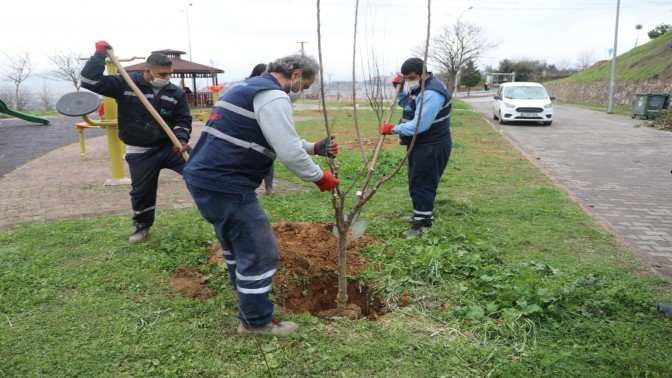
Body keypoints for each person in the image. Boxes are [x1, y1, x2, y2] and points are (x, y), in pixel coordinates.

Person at [182, 54, 339, 337]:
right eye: (305, 85)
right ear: (296, 74)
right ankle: (255, 321)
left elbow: (272, 135)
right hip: (227, 183)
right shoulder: (272, 96)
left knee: (234, 241)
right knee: (260, 252)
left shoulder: (248, 88)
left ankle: (244, 293)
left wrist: (313, 147)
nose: (302, 91)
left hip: (205, 178)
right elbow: (289, 152)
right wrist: (320, 177)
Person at [81, 41, 193, 244]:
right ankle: (142, 227)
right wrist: (98, 56)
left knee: (199, 170)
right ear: (148, 71)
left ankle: (218, 214)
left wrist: (181, 140)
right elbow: (89, 81)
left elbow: (183, 120)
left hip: (170, 146)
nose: (167, 78)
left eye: (170, 74)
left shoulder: (175, 93)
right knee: (142, 192)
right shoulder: (125, 83)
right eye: (162, 75)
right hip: (140, 150)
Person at [380, 57, 452, 238]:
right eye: (405, 78)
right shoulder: (420, 88)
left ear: (423, 73)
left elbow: (420, 124)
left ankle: (423, 225)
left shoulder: (431, 93)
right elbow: (410, 105)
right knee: (417, 180)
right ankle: (420, 215)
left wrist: (394, 129)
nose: (409, 80)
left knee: (423, 182)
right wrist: (401, 91)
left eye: (412, 77)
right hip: (422, 144)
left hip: (431, 145)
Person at [247, 63, 275, 195]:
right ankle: (248, 186)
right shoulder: (248, 88)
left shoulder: (271, 90)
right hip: (250, 130)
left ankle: (269, 185)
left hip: (267, 128)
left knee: (269, 156)